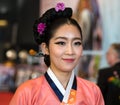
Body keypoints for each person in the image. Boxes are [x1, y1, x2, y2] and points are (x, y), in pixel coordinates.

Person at [9, 2, 104, 105]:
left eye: (76, 43)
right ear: (45, 48)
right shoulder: (27, 92)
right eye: (61, 43)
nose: (70, 51)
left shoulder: (93, 92)